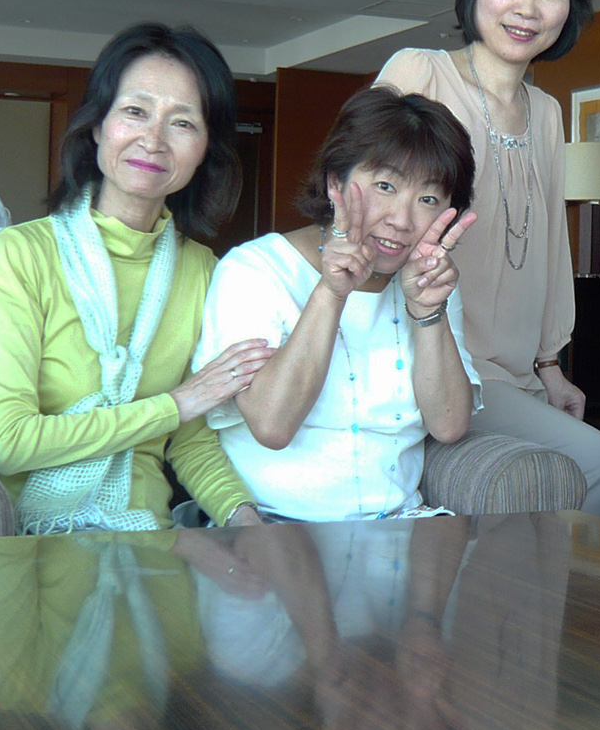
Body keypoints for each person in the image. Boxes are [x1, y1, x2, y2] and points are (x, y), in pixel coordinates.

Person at [0, 23, 268, 534]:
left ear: (205, 148)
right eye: (135, 111)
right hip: (28, 537)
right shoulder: (21, 254)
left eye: (182, 122)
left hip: (145, 535)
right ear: (97, 125)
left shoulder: (202, 269)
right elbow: (9, 442)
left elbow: (190, 438)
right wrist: (173, 404)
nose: (152, 140)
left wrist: (245, 519)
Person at [377, 0, 600, 519]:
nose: (527, 6)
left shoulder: (547, 112)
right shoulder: (419, 72)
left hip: (515, 374)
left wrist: (550, 365)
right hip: (437, 357)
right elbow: (362, 198)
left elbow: (550, 247)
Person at [194, 88, 480, 522]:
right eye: (385, 186)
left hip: (399, 525)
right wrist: (331, 292)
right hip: (273, 527)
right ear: (335, 182)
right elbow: (272, 426)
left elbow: (449, 425)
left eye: (428, 200)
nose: (402, 221)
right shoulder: (255, 269)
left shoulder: (431, 283)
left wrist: (427, 312)